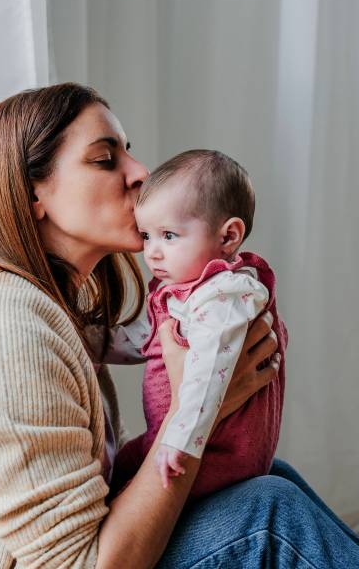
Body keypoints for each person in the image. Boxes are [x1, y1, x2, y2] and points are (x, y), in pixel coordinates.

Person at [0, 82, 359, 568]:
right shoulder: (2, 327)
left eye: (128, 153)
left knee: (269, 480)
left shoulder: (46, 311)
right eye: (106, 159)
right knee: (267, 515)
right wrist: (195, 411)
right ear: (34, 192)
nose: (140, 173)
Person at [86, 149, 287, 500]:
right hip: (172, 436)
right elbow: (148, 339)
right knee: (114, 476)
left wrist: (178, 441)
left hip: (215, 453)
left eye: (169, 235)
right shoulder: (183, 293)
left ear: (228, 237)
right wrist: (87, 340)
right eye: (146, 235)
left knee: (128, 498)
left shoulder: (226, 295)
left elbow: (209, 372)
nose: (152, 252)